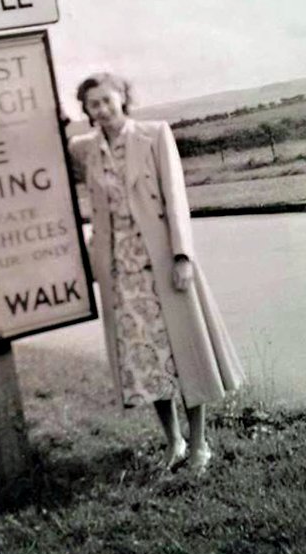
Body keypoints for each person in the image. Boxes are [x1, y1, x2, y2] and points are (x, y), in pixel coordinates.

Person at [69, 73, 244, 473]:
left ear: (123, 99)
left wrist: (183, 255)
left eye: (107, 101)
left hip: (163, 261)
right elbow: (59, 152)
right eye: (93, 104)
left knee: (186, 353)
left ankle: (200, 444)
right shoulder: (87, 150)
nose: (102, 109)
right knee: (145, 359)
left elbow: (175, 195)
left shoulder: (154, 134)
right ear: (87, 110)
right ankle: (174, 442)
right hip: (121, 269)